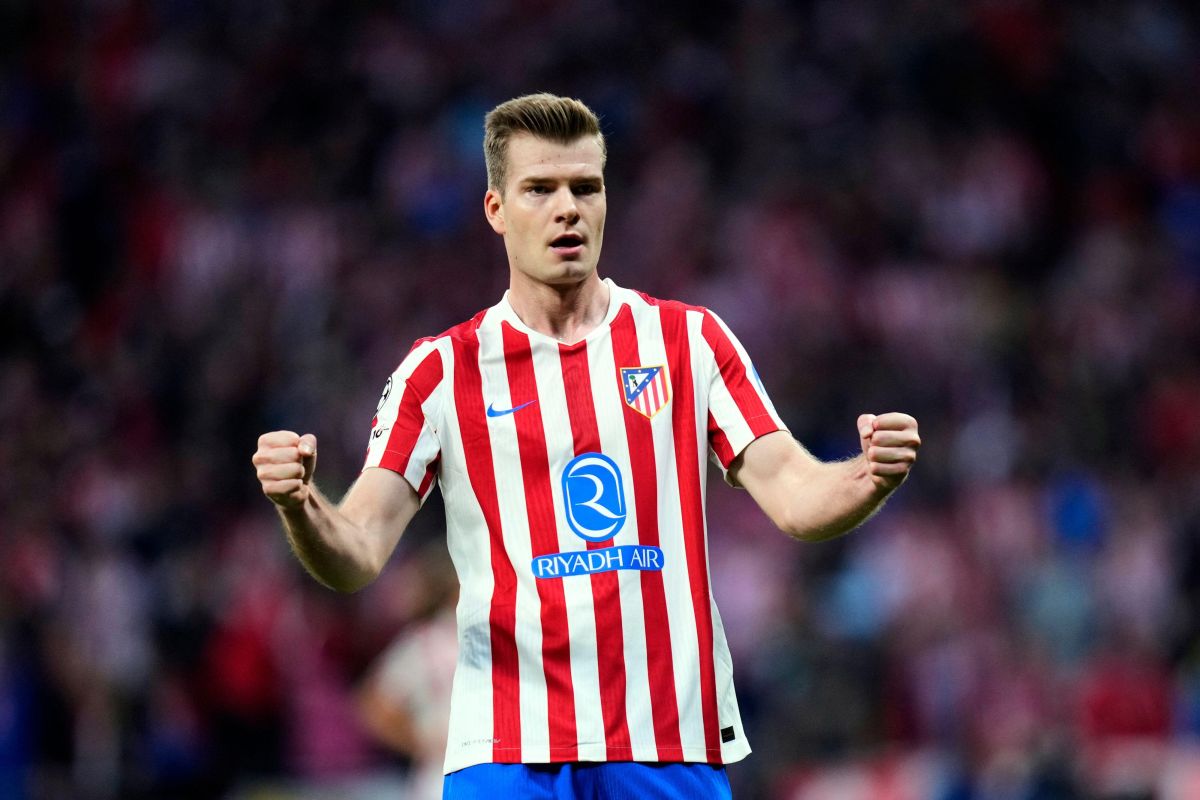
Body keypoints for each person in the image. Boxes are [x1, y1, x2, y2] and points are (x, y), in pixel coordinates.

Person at [251, 93, 920, 799]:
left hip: (666, 741)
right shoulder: (440, 372)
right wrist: (300, 503)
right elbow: (358, 552)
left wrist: (867, 476)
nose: (567, 208)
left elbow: (795, 496)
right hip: (505, 751)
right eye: (540, 189)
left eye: (585, 188)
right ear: (495, 210)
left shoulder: (689, 342)